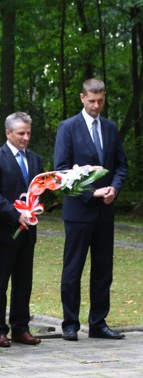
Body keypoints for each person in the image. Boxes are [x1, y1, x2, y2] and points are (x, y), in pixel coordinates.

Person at [54, 78, 128, 341]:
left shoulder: (110, 128)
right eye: (92, 101)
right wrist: (91, 192)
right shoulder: (68, 128)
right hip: (79, 212)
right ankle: (70, 324)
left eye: (101, 101)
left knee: (103, 269)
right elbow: (61, 172)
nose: (97, 106)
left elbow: (120, 165)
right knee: (73, 268)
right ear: (82, 98)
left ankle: (98, 322)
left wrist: (114, 189)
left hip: (105, 212)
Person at [0, 112, 43, 348]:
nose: (26, 137)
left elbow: (39, 191)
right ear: (8, 133)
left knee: (23, 281)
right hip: (4, 231)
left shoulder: (36, 159)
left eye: (28, 133)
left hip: (28, 232)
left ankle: (21, 327)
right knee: (0, 282)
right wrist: (16, 215)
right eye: (21, 133)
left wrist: (33, 211)